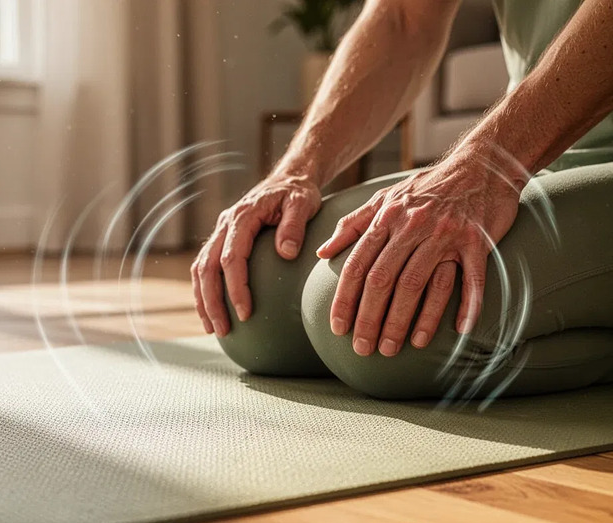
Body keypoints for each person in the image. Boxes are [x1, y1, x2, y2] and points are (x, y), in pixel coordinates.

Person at [191, 0, 613, 399]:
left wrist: (487, 167)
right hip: (542, 156)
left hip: (552, 157)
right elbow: (401, 17)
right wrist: (296, 170)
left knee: (386, 341)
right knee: (258, 301)